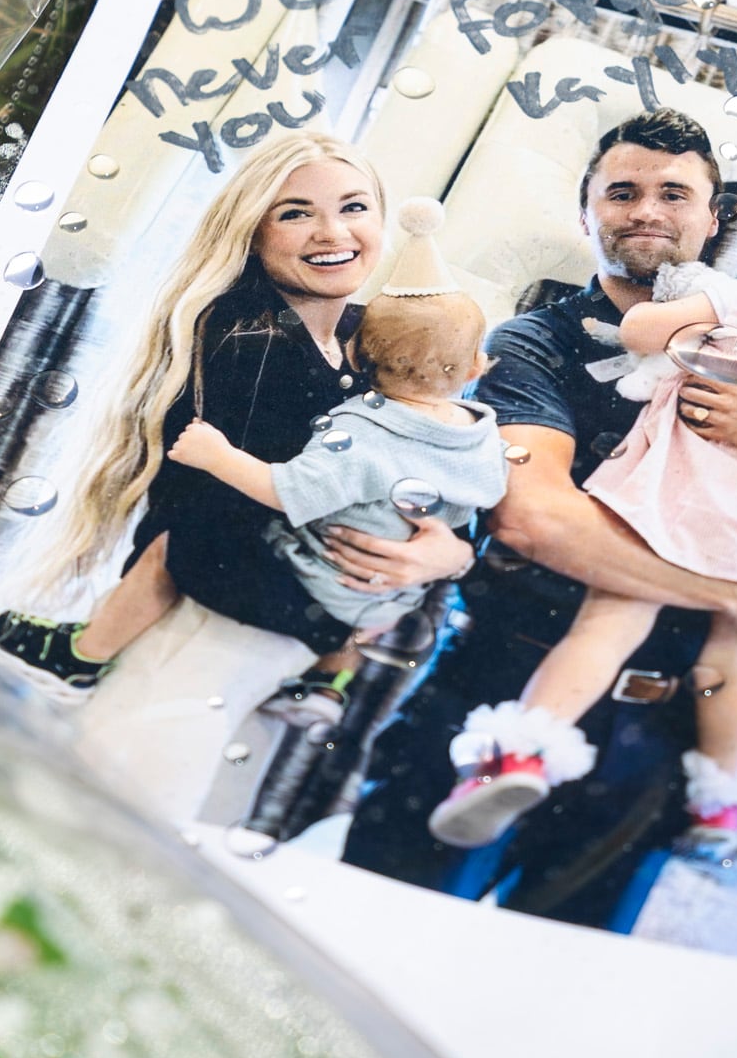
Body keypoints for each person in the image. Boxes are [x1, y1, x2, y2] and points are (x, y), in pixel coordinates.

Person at [338, 109, 737, 928]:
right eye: (621, 193)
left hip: (651, 746)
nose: (647, 210)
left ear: (714, 217)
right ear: (587, 215)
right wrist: (729, 593)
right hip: (497, 694)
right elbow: (538, 521)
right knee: (373, 945)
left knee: (538, 1008)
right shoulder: (530, 346)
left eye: (674, 193)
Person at [0, 133, 472, 819]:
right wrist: (340, 616)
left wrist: (446, 552)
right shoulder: (250, 339)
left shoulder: (371, 342)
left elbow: (431, 469)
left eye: (354, 206)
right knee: (113, 835)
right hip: (207, 624)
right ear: (253, 231)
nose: (333, 231)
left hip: (269, 655)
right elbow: (224, 519)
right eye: (296, 212)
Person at [428, 188, 737, 854]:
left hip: (692, 486)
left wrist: (696, 323)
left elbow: (639, 333)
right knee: (732, 660)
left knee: (608, 624)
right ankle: (719, 807)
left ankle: (520, 755)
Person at [160, 197, 508, 728]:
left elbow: (289, 491)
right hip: (397, 598)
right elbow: (485, 500)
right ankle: (329, 682)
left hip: (323, 583)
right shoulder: (480, 431)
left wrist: (219, 456)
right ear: (477, 367)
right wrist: (452, 552)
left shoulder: (362, 432)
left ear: (354, 356)